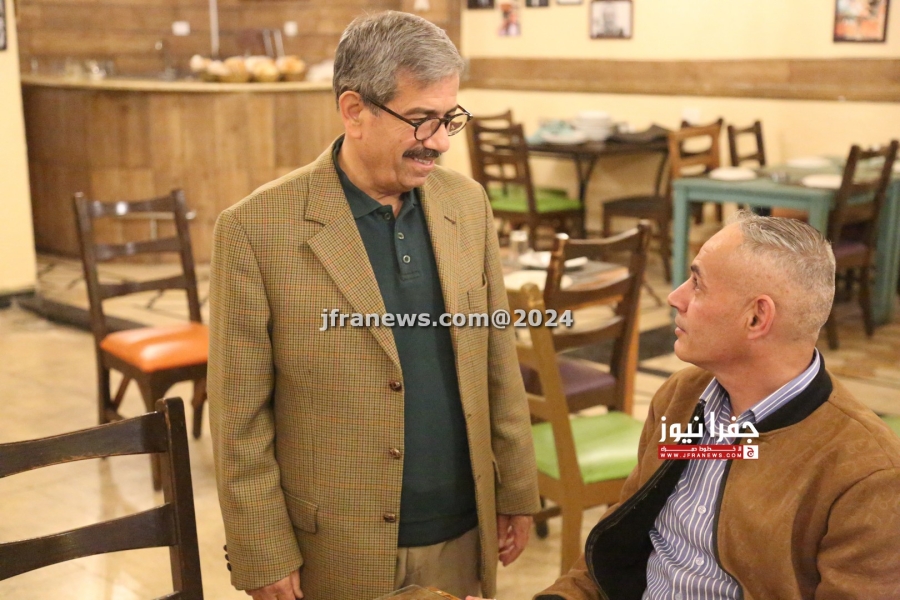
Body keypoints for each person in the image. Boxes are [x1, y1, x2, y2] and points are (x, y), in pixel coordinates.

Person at [208, 10, 540, 600]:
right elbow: (240, 417)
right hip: (335, 545)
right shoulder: (256, 229)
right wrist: (262, 547)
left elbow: (496, 359)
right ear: (354, 110)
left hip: (463, 529)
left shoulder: (468, 205)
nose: (440, 141)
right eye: (421, 120)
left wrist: (515, 489)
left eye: (449, 118)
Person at [522, 212, 900, 599]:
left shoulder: (868, 473)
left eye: (697, 285)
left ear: (757, 317)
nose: (675, 297)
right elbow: (618, 550)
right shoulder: (681, 397)